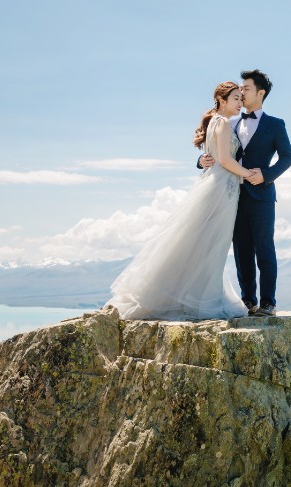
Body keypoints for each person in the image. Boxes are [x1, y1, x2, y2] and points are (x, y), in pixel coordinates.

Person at [106, 82, 256, 320]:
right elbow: (226, 160)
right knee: (212, 243)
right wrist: (248, 174)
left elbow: (215, 157)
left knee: (203, 242)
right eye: (236, 98)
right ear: (221, 99)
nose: (240, 103)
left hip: (218, 185)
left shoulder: (214, 121)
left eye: (241, 98)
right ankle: (203, 298)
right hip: (221, 188)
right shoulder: (224, 122)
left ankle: (196, 294)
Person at [199, 69, 291, 317]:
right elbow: (215, 150)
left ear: (261, 93)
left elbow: (287, 157)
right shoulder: (230, 122)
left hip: (262, 195)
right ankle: (248, 301)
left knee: (264, 249)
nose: (241, 93)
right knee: (241, 252)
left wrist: (267, 175)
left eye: (246, 89)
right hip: (233, 197)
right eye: (239, 90)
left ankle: (268, 303)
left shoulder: (275, 124)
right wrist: (201, 160)